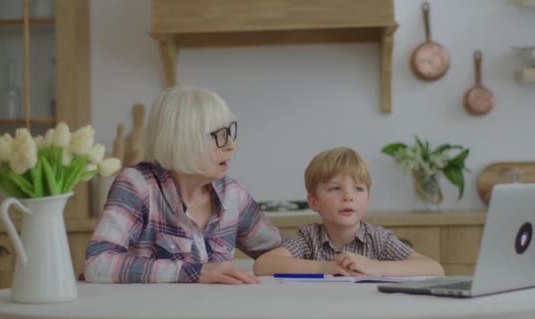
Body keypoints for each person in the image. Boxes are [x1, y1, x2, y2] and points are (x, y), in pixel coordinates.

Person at [85, 86, 285, 284]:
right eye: (220, 135)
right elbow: (98, 264)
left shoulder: (233, 195)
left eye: (230, 132)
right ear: (184, 140)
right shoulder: (138, 185)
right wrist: (194, 272)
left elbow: (283, 251)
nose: (232, 145)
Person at [253, 147, 444, 277]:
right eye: (335, 188)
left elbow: (434, 269)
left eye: (358, 189)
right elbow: (263, 265)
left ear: (367, 199)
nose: (348, 196)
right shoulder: (309, 238)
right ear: (313, 202)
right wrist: (325, 267)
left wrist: (377, 267)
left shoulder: (379, 239)